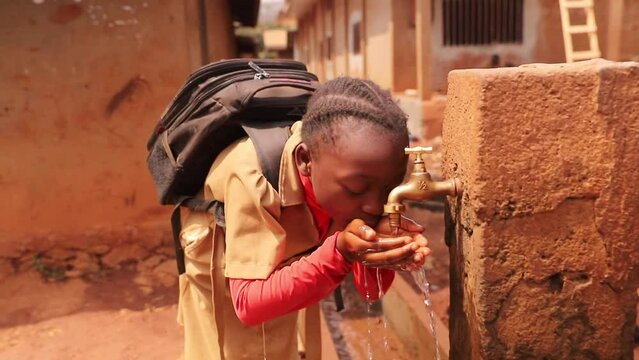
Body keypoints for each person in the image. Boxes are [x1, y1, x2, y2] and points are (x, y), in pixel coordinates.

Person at [176, 76, 431, 360]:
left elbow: (371, 292)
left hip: (290, 252)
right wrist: (340, 252)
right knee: (230, 350)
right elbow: (249, 305)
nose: (373, 206)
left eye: (389, 189)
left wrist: (382, 250)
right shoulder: (253, 177)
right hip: (224, 277)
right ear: (305, 161)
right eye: (357, 189)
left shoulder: (357, 180)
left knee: (289, 341)